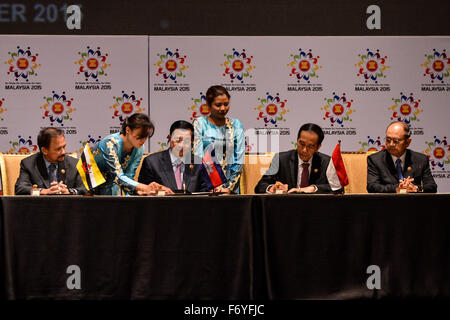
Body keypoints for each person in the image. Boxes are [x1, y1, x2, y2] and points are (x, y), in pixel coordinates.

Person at [193, 85, 245, 194]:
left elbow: (239, 158)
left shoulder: (236, 124)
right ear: (208, 105)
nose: (223, 108)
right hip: (206, 185)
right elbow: (197, 154)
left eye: (226, 104)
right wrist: (212, 184)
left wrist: (228, 187)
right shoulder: (200, 123)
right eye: (218, 105)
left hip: (231, 188)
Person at [255, 123, 333, 194]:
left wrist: (313, 188)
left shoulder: (326, 162)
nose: (304, 150)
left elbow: (338, 188)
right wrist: (273, 188)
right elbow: (261, 185)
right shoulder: (281, 159)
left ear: (318, 147)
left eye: (310, 146)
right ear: (297, 140)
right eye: (301, 144)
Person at [91, 113, 156, 195]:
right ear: (128, 130)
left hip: (111, 185)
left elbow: (129, 176)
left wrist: (136, 192)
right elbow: (118, 176)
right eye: (139, 136)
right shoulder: (110, 143)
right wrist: (142, 187)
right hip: (89, 185)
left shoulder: (140, 148)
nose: (143, 140)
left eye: (145, 136)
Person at [138, 120, 208, 194]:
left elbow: (205, 193)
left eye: (186, 141)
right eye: (178, 140)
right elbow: (141, 192)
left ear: (192, 141)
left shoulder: (199, 163)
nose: (181, 145)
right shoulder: (152, 162)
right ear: (169, 138)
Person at [367, 121, 437, 193]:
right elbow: (372, 187)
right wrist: (397, 188)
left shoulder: (421, 159)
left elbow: (432, 186)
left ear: (407, 142)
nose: (391, 144)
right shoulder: (375, 160)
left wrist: (415, 188)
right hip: (387, 202)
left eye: (396, 141)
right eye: (388, 140)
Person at [15, 127, 86, 195]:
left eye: (64, 147)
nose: (63, 152)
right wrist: (42, 191)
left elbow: (85, 189)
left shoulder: (75, 164)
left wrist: (70, 192)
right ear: (44, 150)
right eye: (58, 149)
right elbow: (20, 188)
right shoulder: (28, 164)